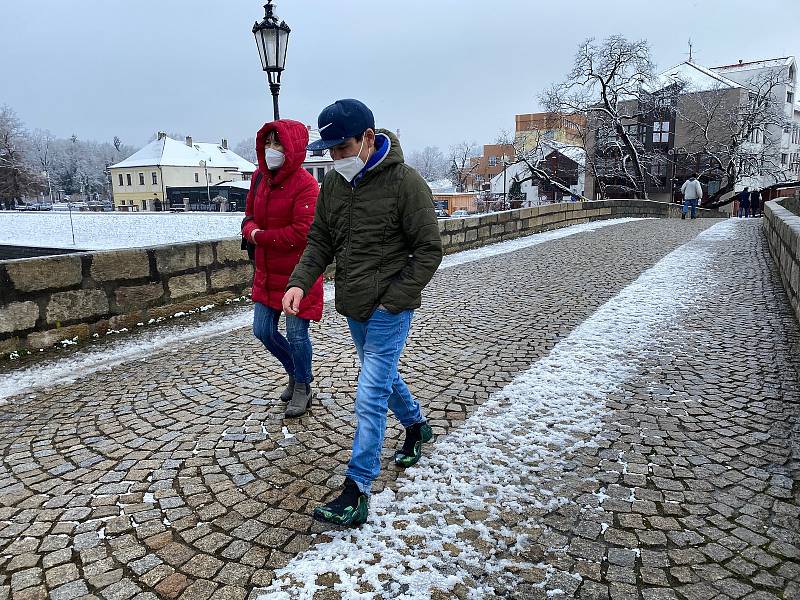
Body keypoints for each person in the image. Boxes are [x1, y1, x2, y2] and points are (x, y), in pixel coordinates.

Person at [283, 99, 443, 526]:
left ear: (368, 139)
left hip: (391, 306)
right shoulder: (334, 186)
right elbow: (320, 239)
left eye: (342, 148)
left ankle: (357, 491)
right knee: (384, 376)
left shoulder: (407, 184)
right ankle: (417, 426)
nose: (335, 158)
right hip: (355, 303)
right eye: (330, 150)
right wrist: (299, 281)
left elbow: (429, 250)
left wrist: (395, 298)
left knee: (369, 391)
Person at [241, 120, 324, 418]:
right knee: (262, 330)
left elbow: (302, 232)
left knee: (297, 335)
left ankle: (302, 385)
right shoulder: (259, 179)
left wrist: (260, 236)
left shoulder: (306, 185)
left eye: (279, 144)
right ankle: (296, 372)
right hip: (266, 273)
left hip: (297, 276)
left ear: (293, 149)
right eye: (268, 143)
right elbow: (248, 216)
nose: (272, 149)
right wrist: (250, 230)